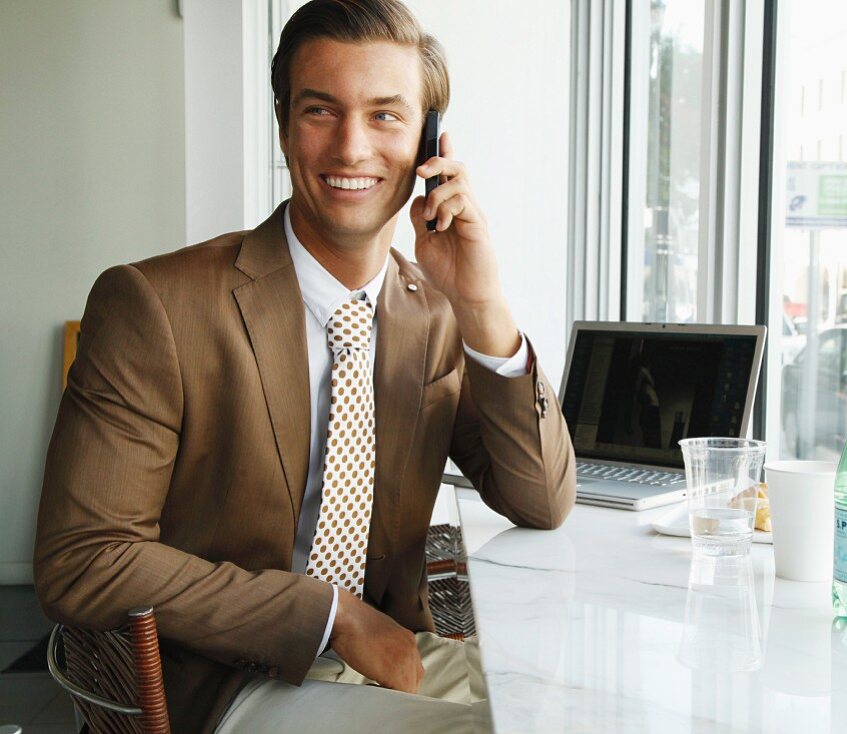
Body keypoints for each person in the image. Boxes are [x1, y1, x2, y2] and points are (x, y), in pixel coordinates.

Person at [33, 1, 575, 732]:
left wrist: (483, 306)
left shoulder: (437, 314)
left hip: (399, 656)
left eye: (386, 115)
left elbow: (540, 499)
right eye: (322, 110)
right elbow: (83, 558)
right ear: (286, 125)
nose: (351, 147)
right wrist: (330, 616)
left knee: (587, 708)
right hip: (228, 680)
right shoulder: (155, 304)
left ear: (429, 142)